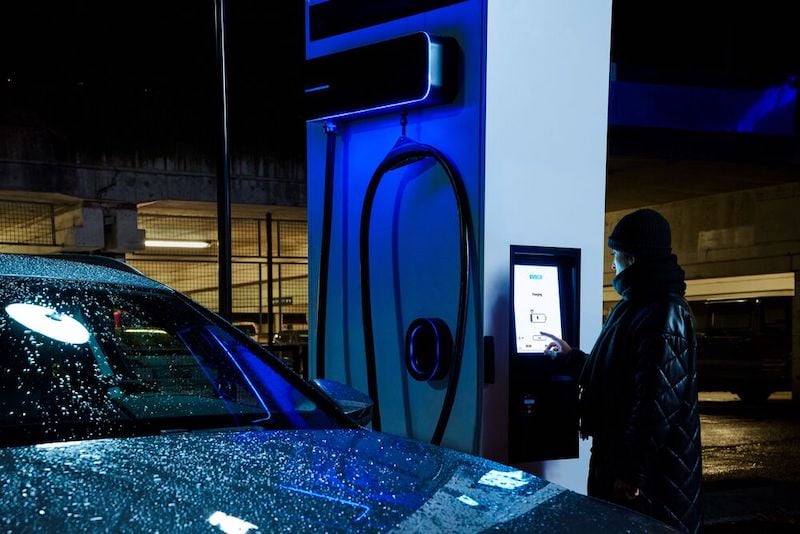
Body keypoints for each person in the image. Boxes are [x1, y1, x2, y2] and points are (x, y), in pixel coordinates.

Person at [542, 208, 702, 533]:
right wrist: (572, 357)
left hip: (656, 482)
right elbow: (621, 376)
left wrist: (631, 474)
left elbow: (655, 406)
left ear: (632, 257)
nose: (612, 263)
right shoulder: (636, 305)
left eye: (615, 254)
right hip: (620, 461)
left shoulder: (664, 312)